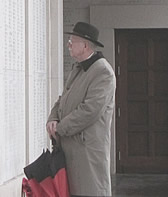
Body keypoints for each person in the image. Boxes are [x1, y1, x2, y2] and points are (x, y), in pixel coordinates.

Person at [47, 22, 116, 197]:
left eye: (72, 41)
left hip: (87, 155)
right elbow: (63, 99)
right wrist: (52, 119)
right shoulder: (77, 69)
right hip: (71, 151)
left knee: (90, 191)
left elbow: (89, 110)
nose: (68, 44)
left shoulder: (103, 72)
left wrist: (60, 129)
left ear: (85, 45)